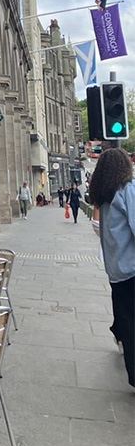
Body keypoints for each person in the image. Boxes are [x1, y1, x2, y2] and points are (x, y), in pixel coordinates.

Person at [89, 147, 135, 388]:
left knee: (128, 325)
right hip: (132, 268)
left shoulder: (105, 196)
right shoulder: (127, 190)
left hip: (116, 271)